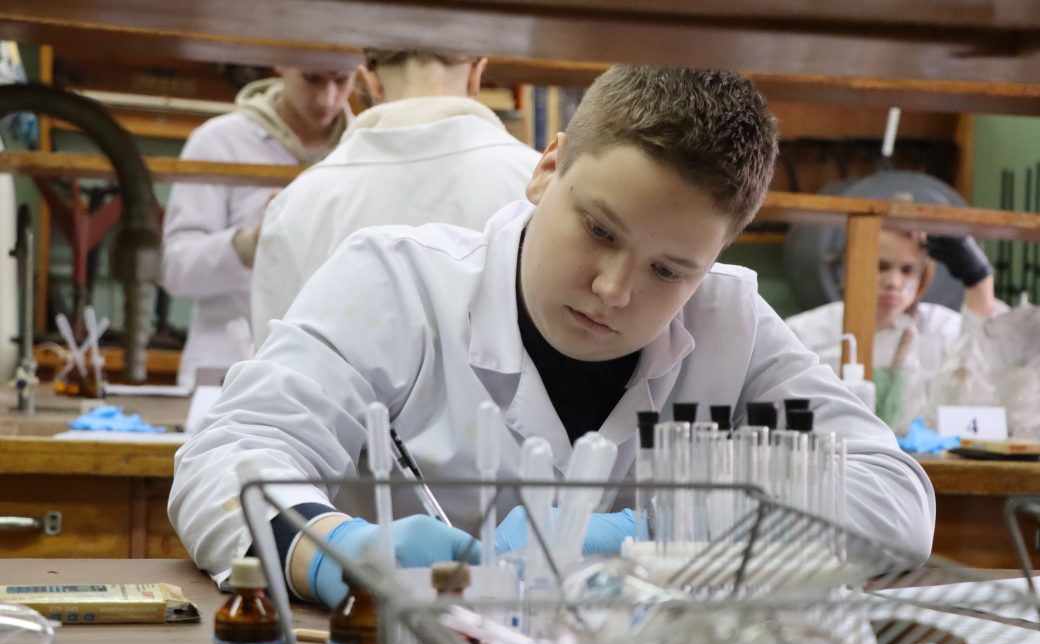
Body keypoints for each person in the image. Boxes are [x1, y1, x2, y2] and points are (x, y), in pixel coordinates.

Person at [169, 65, 935, 608]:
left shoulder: (728, 322)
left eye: (669, 269)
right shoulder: (397, 283)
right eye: (598, 229)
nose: (614, 288)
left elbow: (895, 499)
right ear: (547, 168)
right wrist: (335, 547)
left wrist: (660, 533)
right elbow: (228, 456)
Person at [250, 49, 540, 345]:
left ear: (370, 80)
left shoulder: (297, 203)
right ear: (476, 75)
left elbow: (274, 358)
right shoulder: (537, 183)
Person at [161, 67, 354, 387]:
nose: (327, 98)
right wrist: (249, 245)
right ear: (282, 65)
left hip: (332, 375)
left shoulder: (364, 148)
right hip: (227, 370)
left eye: (342, 80)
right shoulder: (219, 142)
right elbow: (176, 269)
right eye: (312, 78)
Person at [786, 228, 1003, 427]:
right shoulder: (805, 333)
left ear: (923, 276)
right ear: (850, 267)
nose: (894, 282)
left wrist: (980, 283)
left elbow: (986, 371)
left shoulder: (940, 329)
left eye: (908, 270)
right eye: (881, 266)